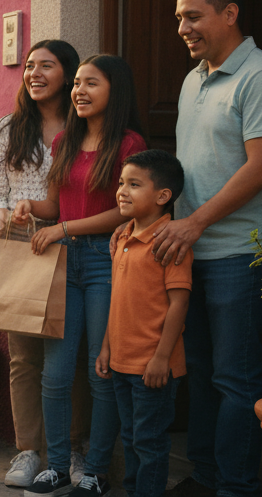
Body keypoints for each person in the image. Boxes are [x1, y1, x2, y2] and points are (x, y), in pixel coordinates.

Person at [155, 0, 262, 497]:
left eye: (193, 16)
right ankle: (204, 476)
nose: (183, 27)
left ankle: (235, 486)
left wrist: (195, 222)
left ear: (229, 14)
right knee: (203, 374)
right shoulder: (193, 79)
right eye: (179, 18)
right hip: (190, 252)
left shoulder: (260, 74)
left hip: (237, 253)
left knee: (237, 379)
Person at [13, 54, 147, 497]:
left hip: (105, 263)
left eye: (92, 83)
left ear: (115, 90)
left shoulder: (129, 144)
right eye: (77, 83)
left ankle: (94, 471)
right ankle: (54, 466)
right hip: (62, 264)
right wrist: (32, 209)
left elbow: (122, 211)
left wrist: (65, 228)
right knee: (55, 373)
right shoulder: (64, 141)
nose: (79, 91)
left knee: (99, 371)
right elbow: (56, 207)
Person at [0, 40, 92, 487]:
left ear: (68, 73)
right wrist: (0, 216)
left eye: (47, 65)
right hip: (22, 244)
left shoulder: (85, 123)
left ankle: (74, 450)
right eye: (29, 65)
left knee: (74, 356)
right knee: (25, 357)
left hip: (77, 242)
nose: (34, 73)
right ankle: (28, 451)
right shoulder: (9, 128)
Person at [97, 149, 192, 497]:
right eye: (121, 183)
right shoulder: (121, 237)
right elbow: (118, 301)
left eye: (134, 184)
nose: (122, 191)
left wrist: (161, 358)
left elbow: (179, 303)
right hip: (121, 362)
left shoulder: (170, 241)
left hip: (153, 367)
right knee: (132, 438)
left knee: (150, 443)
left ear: (163, 196)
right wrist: (107, 347)